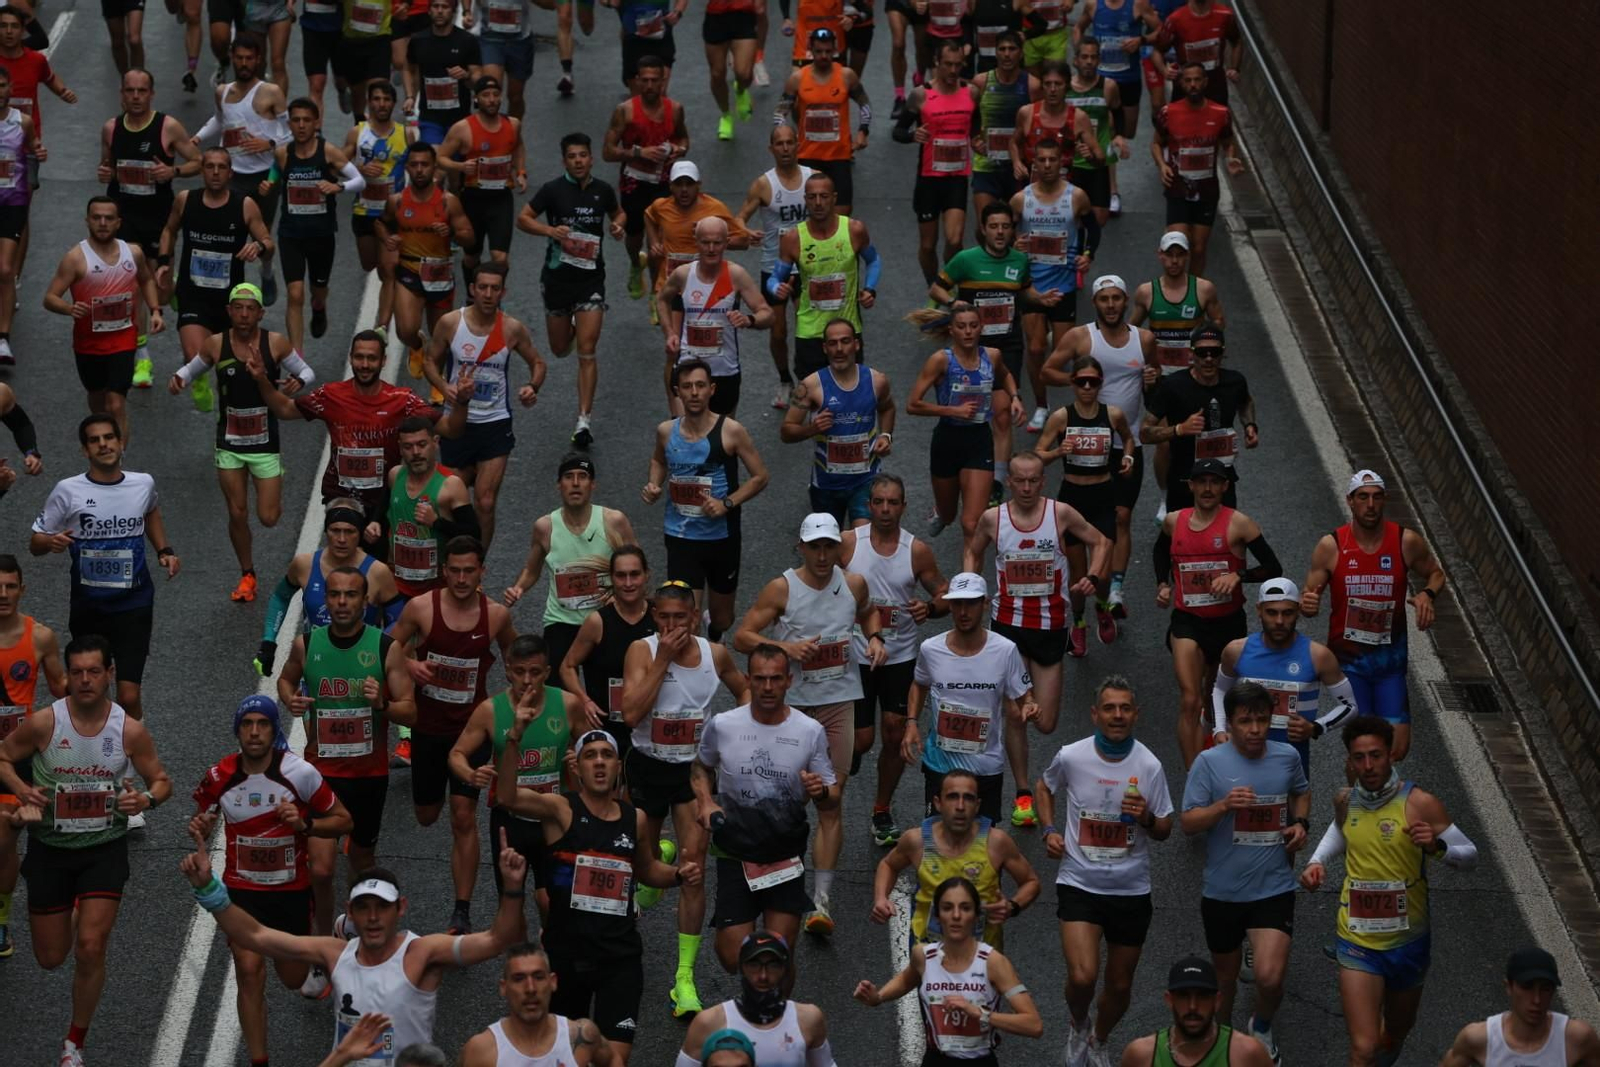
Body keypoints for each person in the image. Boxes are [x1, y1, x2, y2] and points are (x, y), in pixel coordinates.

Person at [179, 826, 530, 1058]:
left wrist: (513, 887)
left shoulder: (423, 954)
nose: (373, 917)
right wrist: (209, 890)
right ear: (351, 912)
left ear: (400, 909)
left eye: (382, 908)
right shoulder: (334, 953)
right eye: (364, 908)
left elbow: (498, 939)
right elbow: (255, 935)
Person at [0, 635, 171, 1067]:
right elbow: (3, 756)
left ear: (109, 674)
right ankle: (73, 910)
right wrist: (23, 793)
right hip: (51, 850)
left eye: (94, 671)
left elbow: (162, 781)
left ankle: (74, 1042)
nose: (85, 680)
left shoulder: (128, 730)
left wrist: (145, 801)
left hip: (103, 848)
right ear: (68, 678)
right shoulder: (44, 723)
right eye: (76, 672)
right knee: (51, 957)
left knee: (91, 946)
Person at [492, 726, 700, 1062]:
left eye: (607, 756)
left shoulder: (636, 819)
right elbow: (508, 797)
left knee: (614, 1060)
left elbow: (647, 869)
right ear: (577, 767)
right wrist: (513, 740)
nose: (599, 763)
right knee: (566, 1057)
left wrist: (678, 875)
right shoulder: (561, 810)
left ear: (619, 766)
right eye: (590, 756)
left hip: (619, 958)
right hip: (565, 955)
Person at [733, 513, 886, 936]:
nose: (822, 555)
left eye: (828, 547)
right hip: (795, 711)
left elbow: (870, 613)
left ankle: (820, 902)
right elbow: (743, 635)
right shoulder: (782, 588)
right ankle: (767, 877)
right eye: (814, 547)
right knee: (786, 800)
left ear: (839, 548)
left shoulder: (852, 584)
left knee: (831, 800)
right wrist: (785, 646)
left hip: (838, 704)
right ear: (801, 548)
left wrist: (876, 638)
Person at [1302, 716, 1482, 1067]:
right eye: (1359, 758)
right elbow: (1341, 831)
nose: (1367, 766)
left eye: (1375, 755)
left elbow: (1471, 857)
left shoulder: (1420, 803)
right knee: (1364, 1047)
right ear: (1349, 761)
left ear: (1391, 756)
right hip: (1357, 941)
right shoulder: (1347, 801)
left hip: (1408, 941)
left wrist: (1437, 848)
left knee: (1394, 1033)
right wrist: (1315, 862)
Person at [191, 695, 355, 1047]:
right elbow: (202, 815)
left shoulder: (299, 773)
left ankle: (331, 937)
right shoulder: (219, 775)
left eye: (262, 724)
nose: (254, 732)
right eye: (247, 724)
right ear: (237, 731)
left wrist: (305, 823)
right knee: (248, 972)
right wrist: (202, 826)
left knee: (294, 979)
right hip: (242, 892)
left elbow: (344, 820)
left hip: (289, 893)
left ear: (273, 730)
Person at [620, 581, 749, 1014]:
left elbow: (744, 690)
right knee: (643, 861)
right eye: (664, 618)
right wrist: (662, 660)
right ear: (654, 616)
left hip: (692, 772)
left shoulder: (715, 655)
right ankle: (657, 859)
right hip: (647, 765)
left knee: (694, 869)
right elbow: (632, 713)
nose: (672, 625)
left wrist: (733, 735)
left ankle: (684, 979)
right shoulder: (642, 651)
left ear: (695, 618)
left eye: (680, 618)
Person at [963, 450, 1111, 826]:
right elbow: (973, 550)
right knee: (1014, 714)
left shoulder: (1059, 513)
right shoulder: (993, 519)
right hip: (1007, 627)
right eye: (1020, 481)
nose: (1027, 487)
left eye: (1033, 480)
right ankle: (1024, 792)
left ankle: (1027, 738)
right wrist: (972, 589)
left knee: (1044, 722)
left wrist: (1092, 577)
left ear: (1042, 482)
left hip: (1050, 626)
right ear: (1009, 482)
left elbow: (1102, 541)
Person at [276, 565, 418, 953]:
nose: (341, 602)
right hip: (320, 774)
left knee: (360, 858)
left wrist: (382, 703)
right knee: (321, 868)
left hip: (368, 774)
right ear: (326, 600)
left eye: (350, 595)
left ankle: (353, 927)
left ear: (365, 601)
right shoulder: (308, 645)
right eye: (334, 595)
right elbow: (286, 679)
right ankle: (324, 945)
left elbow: (411, 712)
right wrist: (291, 698)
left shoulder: (385, 648)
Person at [1035, 675, 1175, 1067]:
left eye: (1125, 708)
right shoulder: (1072, 756)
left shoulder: (1149, 765)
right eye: (1110, 708)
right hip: (1079, 882)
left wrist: (1145, 816)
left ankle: (1099, 1038)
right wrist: (1048, 830)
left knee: (1119, 985)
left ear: (1136, 714)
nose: (1117, 715)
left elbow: (1165, 828)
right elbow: (1044, 787)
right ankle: (1079, 1024)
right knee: (1082, 977)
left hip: (1130, 891)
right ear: (1095, 714)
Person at [389, 536, 516, 935]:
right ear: (444, 570)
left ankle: (461, 910)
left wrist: (515, 706)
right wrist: (410, 666)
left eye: (469, 571)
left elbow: (518, 663)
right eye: (455, 570)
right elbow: (389, 648)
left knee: (463, 817)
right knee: (428, 817)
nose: (462, 579)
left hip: (471, 731)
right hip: (427, 729)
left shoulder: (495, 616)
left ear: (482, 572)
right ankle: (425, 785)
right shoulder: (421, 609)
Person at [1180, 682, 1310, 1063]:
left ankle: (1262, 1026)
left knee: (1269, 977)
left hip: (1273, 886)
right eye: (1245, 721)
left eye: (1261, 720)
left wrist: (1300, 822)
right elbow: (1187, 822)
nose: (1254, 729)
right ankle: (1220, 1042)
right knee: (1225, 982)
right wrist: (1222, 807)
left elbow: (1302, 791)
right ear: (1231, 724)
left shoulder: (1286, 757)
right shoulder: (1209, 762)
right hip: (1223, 891)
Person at [694, 644, 836, 980]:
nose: (768, 687)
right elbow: (700, 768)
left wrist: (822, 791)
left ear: (789, 681)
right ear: (748, 680)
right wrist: (705, 801)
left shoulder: (809, 731)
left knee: (778, 958)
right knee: (732, 957)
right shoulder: (723, 725)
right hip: (736, 851)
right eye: (760, 679)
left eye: (775, 679)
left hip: (783, 853)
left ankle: (774, 1023)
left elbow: (832, 795)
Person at [167, 282, 313, 602]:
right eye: (238, 308)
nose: (244, 314)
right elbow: (192, 369)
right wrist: (179, 379)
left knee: (268, 517)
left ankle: (273, 484)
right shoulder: (216, 344)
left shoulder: (274, 343)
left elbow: (307, 372)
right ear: (229, 312)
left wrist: (297, 380)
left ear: (261, 313)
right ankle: (247, 574)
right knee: (236, 513)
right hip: (229, 442)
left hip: (264, 442)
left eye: (251, 309)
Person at [247, 331, 468, 541]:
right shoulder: (331, 395)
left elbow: (450, 429)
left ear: (383, 361)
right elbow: (285, 409)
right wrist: (261, 379)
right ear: (351, 358)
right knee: (344, 551)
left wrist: (463, 401)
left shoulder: (402, 400)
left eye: (371, 359)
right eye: (359, 357)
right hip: (341, 495)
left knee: (378, 568)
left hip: (385, 499)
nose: (364, 365)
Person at [29, 415, 178, 725]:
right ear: (85, 450)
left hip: (133, 603)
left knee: (128, 696)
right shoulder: (68, 491)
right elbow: (35, 542)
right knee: (91, 691)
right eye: (95, 440)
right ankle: (97, 754)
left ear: (120, 443)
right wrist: (50, 542)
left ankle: (131, 752)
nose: (104, 444)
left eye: (109, 437)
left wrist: (164, 550)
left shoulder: (142, 483)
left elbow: (150, 510)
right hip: (89, 606)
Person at [1301, 470, 1447, 765]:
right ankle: (1356, 809)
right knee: (1364, 747)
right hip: (1349, 664)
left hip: (1389, 663)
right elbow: (1308, 599)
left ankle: (1370, 801)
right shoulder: (1331, 545)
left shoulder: (1405, 541)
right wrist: (1309, 603)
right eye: (1363, 497)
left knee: (1396, 749)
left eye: (1377, 497)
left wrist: (1427, 595)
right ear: (1350, 502)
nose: (1370, 504)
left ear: (1384, 501)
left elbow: (1435, 573)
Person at [1154, 459, 1281, 768]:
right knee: (1190, 698)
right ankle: (1195, 775)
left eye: (1215, 482)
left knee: (1216, 700)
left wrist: (1240, 576)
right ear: (1192, 486)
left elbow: (1273, 568)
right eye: (1202, 482)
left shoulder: (1239, 524)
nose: (1208, 488)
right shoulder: (1174, 521)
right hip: (1188, 622)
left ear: (1225, 486)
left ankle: (1213, 739)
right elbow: (1160, 550)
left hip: (1227, 623)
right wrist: (1163, 583)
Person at [842, 472, 946, 842]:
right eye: (879, 502)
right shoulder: (849, 544)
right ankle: (851, 750)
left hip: (900, 656)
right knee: (863, 740)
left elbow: (944, 591)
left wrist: (930, 607)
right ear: (870, 506)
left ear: (903, 506)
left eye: (893, 503)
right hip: (856, 655)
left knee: (894, 732)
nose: (885, 509)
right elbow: (819, 580)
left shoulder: (915, 550)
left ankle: (881, 810)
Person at [451, 633, 582, 921]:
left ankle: (552, 955)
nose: (526, 680)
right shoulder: (490, 711)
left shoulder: (568, 704)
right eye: (519, 672)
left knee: (551, 900)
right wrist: (471, 774)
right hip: (509, 821)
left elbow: (595, 746)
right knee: (511, 905)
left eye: (535, 673)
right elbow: (456, 755)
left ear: (546, 673)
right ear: (508, 670)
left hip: (552, 818)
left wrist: (580, 759)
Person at [932, 202, 1065, 483]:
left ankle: (996, 481)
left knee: (1002, 413)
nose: (1000, 232)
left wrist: (1040, 299)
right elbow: (936, 288)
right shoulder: (966, 260)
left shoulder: (1019, 260)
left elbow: (1024, 290)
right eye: (994, 226)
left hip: (1007, 345)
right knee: (969, 416)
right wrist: (954, 302)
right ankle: (958, 467)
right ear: (983, 229)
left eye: (1005, 226)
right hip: (970, 348)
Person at [642, 359, 770, 641]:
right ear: (678, 392)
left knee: (724, 618)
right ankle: (698, 669)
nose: (694, 392)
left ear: (712, 389)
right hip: (680, 536)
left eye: (700, 385)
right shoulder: (666, 431)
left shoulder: (731, 431)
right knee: (687, 618)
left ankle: (716, 629)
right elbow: (658, 460)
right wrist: (654, 483)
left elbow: (760, 476)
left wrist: (727, 504)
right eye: (687, 387)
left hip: (721, 537)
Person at [854, 874, 1044, 1061]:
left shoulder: (993, 962)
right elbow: (907, 979)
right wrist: (878, 997)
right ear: (937, 915)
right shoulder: (924, 956)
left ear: (976, 915)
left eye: (965, 908)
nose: (956, 915)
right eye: (947, 908)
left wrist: (981, 1014)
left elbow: (1033, 1025)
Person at [901, 571, 1038, 828]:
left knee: (982, 849)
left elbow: (1023, 694)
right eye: (957, 603)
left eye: (971, 603)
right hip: (940, 764)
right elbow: (919, 684)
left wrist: (1030, 705)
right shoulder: (931, 649)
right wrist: (911, 724)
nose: (963, 611)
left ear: (985, 604)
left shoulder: (1005, 650)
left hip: (985, 766)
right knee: (937, 841)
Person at [423, 262, 545, 548]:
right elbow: (430, 361)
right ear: (473, 290)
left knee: (486, 501)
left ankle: (477, 563)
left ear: (503, 291)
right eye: (483, 288)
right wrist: (445, 388)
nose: (488, 294)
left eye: (495, 288)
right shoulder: (452, 323)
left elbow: (538, 362)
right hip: (457, 424)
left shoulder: (511, 328)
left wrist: (532, 386)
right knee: (450, 499)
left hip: (495, 423)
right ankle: (451, 559)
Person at [97, 68, 201, 388]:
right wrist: (105, 174)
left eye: (142, 91)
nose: (136, 97)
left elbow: (199, 160)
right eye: (130, 91)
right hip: (125, 221)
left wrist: (174, 171)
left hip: (159, 220)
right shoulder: (111, 129)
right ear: (122, 94)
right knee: (134, 289)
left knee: (160, 287)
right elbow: (107, 167)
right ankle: (142, 357)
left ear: (151, 94)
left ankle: (173, 291)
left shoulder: (167, 127)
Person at [521, 131, 625, 448]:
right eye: (572, 156)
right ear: (565, 160)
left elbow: (617, 212)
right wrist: (550, 230)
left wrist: (617, 225)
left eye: (583, 155)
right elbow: (523, 219)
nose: (578, 161)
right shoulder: (552, 191)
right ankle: (574, 326)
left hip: (591, 280)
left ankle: (583, 421)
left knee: (587, 350)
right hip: (557, 280)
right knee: (559, 348)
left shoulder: (603, 190)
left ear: (591, 158)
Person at [157, 146, 274, 413]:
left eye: (222, 167)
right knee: (194, 356)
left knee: (228, 368)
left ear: (230, 173)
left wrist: (258, 247)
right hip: (193, 294)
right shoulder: (186, 200)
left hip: (229, 301)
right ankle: (198, 380)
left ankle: (229, 417)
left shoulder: (244, 205)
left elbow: (268, 240)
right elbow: (169, 230)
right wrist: (164, 262)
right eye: (210, 166)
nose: (216, 172)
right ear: (202, 171)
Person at [1036, 350, 1138, 655]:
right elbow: (1038, 454)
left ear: (1100, 383)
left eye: (1093, 382)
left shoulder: (1113, 414)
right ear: (1072, 383)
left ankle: (1103, 606)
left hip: (1103, 495)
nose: (1088, 388)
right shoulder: (1062, 417)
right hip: (1072, 499)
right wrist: (1057, 452)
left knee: (1102, 574)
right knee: (1079, 577)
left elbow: (1128, 437)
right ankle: (1078, 622)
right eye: (1082, 382)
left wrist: (1129, 456)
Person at [874, 764, 1041, 949]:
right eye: (952, 797)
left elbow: (1030, 882)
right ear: (938, 803)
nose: (960, 806)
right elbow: (889, 865)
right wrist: (881, 898)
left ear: (977, 805)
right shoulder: (917, 841)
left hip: (982, 964)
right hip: (928, 960)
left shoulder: (996, 842)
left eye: (968, 798)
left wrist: (1012, 906)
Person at [504, 453, 638, 675]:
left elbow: (639, 567)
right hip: (561, 621)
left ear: (592, 484)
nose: (575, 483)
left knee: (604, 698)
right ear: (559, 485)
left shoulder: (613, 521)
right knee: (558, 695)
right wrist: (518, 587)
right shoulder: (545, 527)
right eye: (568, 477)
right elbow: (531, 569)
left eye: (582, 476)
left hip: (604, 620)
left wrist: (627, 601)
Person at [43, 198, 165, 443]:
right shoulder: (76, 258)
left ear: (118, 223)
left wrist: (155, 310)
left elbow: (146, 279)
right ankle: (102, 440)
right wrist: (69, 308)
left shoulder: (133, 253)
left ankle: (119, 458)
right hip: (88, 343)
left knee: (116, 403)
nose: (102, 223)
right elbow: (49, 298)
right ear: (87, 220)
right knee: (98, 405)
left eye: (109, 218)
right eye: (96, 217)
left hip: (123, 340)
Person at [1213, 578, 1359, 775]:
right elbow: (1220, 689)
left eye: (1287, 613)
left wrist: (1316, 727)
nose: (1279, 621)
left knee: (1292, 806)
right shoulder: (1236, 651)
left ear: (1298, 611)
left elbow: (1350, 706)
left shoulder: (1318, 656)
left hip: (1291, 765)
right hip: (1241, 759)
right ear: (1259, 610)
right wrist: (1220, 729)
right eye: (1271, 612)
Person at [257, 98, 364, 364]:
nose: (301, 125)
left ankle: (319, 307)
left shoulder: (328, 152)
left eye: (307, 120)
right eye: (296, 120)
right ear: (290, 123)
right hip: (291, 234)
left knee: (317, 290)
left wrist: (338, 188)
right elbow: (275, 169)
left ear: (316, 123)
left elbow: (359, 180)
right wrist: (270, 183)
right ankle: (296, 357)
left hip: (321, 234)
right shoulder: (283, 152)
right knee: (295, 294)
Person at [1127, 230, 1225, 517]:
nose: (1174, 261)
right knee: (1166, 442)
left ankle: (1200, 492)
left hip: (1196, 377)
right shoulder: (1147, 292)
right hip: (1163, 381)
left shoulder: (1203, 289)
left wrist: (1206, 340)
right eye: (1168, 255)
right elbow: (1132, 332)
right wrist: (1141, 367)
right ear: (1160, 256)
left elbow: (1219, 321)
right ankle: (1165, 496)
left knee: (1199, 439)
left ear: (1187, 257)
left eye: (1179, 255)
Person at [904, 303, 1022, 540]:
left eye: (973, 326)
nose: (968, 332)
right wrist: (952, 411)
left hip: (979, 440)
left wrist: (1015, 397)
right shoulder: (941, 361)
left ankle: (969, 579)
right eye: (961, 327)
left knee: (972, 524)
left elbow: (1005, 374)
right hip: (947, 440)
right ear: (951, 331)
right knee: (949, 516)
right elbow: (913, 404)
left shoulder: (992, 356)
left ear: (981, 328)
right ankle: (941, 512)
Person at [257, 498, 405, 678]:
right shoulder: (305, 565)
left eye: (349, 531)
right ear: (326, 531)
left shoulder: (377, 572)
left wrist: (381, 650)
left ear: (359, 533)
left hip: (362, 670)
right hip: (316, 666)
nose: (342, 539)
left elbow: (398, 623)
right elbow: (280, 597)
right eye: (335, 530)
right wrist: (269, 641)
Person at [0, 554, 65, 961]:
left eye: (9, 586)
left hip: (15, 756)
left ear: (22, 589)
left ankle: (0, 920)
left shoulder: (40, 637)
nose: (2, 594)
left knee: (3, 840)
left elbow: (62, 688)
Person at [1012, 137, 1100, 433]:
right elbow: (999, 236)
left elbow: (1093, 229)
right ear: (1033, 163)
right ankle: (1041, 405)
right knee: (1036, 349)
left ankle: (1079, 406)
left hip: (1063, 285)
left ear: (1062, 162)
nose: (1047, 165)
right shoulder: (1021, 200)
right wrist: (1015, 245)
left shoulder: (1076, 197)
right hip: (1032, 286)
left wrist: (1087, 256)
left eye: (1053, 160)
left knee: (1066, 356)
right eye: (1042, 160)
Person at [196, 32, 289, 303]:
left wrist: (269, 142)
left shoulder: (271, 92)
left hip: (264, 177)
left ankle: (267, 270)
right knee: (229, 233)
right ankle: (229, 288)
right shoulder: (222, 91)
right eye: (239, 58)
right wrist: (198, 137)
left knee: (263, 239)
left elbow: (293, 134)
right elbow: (218, 120)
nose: (244, 63)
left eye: (249, 58)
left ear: (258, 60)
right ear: (232, 59)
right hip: (232, 176)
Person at [376, 143, 477, 377]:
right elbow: (380, 222)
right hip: (409, 269)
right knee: (405, 330)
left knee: (440, 334)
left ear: (434, 168)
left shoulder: (448, 201)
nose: (419, 170)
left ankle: (438, 385)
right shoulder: (397, 201)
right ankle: (416, 345)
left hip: (439, 273)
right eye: (414, 165)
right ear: (407, 168)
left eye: (425, 164)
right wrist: (387, 238)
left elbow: (469, 237)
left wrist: (451, 232)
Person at [768, 171, 879, 381]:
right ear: (805, 200)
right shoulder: (793, 238)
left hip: (847, 330)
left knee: (849, 393)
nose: (818, 202)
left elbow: (873, 261)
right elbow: (774, 278)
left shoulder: (854, 230)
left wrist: (870, 288)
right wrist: (776, 288)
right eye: (812, 197)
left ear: (834, 198)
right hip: (810, 332)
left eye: (824, 196)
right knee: (813, 399)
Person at [780, 318, 894, 524]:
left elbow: (887, 408)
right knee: (830, 548)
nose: (839, 349)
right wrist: (812, 428)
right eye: (833, 343)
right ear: (825, 348)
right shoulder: (810, 386)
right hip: (826, 484)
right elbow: (786, 432)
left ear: (856, 344)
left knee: (861, 543)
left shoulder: (877, 381)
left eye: (845, 341)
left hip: (866, 481)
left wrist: (886, 435)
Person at [658, 215, 775, 414]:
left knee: (722, 440)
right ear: (696, 243)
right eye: (705, 243)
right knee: (686, 436)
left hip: (724, 371)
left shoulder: (736, 275)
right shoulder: (683, 274)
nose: (711, 249)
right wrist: (670, 332)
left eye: (717, 243)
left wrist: (749, 320)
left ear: (726, 243)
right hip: (688, 369)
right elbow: (662, 299)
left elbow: (768, 314)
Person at [1140, 322, 1255, 514]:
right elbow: (1145, 433)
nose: (1208, 358)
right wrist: (1179, 429)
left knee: (1227, 538)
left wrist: (1250, 425)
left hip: (1222, 478)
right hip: (1185, 480)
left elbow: (1246, 403)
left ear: (1222, 353)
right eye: (1202, 352)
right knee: (1180, 540)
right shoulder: (1173, 386)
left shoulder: (1235, 381)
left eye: (1214, 352)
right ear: (1191, 354)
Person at [602, 55, 690, 301]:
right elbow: (607, 152)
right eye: (645, 80)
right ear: (637, 81)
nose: (650, 86)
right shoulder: (625, 111)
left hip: (663, 182)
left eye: (655, 80)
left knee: (659, 243)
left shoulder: (675, 109)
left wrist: (678, 150)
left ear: (663, 80)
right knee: (634, 236)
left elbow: (683, 139)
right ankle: (634, 263)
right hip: (634, 181)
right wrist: (639, 152)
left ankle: (655, 292)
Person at [737, 124, 813, 408]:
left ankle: (810, 380)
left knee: (808, 327)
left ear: (797, 145)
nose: (784, 148)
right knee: (778, 330)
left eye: (789, 143)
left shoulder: (812, 179)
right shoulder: (763, 184)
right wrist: (746, 231)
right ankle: (784, 379)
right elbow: (740, 217)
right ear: (771, 149)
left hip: (808, 265)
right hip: (775, 266)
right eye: (778, 144)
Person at [560, 546, 658, 761]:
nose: (629, 583)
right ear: (612, 578)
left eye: (635, 574)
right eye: (621, 576)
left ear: (646, 575)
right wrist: (583, 700)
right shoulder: (597, 622)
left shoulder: (660, 617)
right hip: (607, 727)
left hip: (651, 724)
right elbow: (567, 666)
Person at [677, 933, 835, 1066]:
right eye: (754, 964)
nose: (763, 976)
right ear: (742, 967)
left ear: (785, 969)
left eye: (773, 965)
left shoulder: (809, 1019)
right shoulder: (708, 1022)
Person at [893, 39, 979, 284]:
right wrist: (912, 136)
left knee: (954, 240)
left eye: (958, 65)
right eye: (948, 65)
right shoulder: (922, 94)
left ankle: (946, 284)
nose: (953, 70)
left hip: (957, 178)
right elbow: (898, 132)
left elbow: (976, 126)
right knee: (928, 246)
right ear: (937, 63)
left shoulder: (971, 92)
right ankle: (933, 285)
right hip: (929, 179)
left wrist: (977, 140)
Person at [458, 943, 621, 1066]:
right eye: (519, 979)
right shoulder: (481, 1052)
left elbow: (613, 1059)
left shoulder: (582, 1036)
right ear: (504, 988)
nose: (530, 989)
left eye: (538, 977)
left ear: (553, 982)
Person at [1150, 61, 1241, 277]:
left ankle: (1194, 291)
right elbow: (1156, 143)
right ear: (1181, 83)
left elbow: (1228, 142)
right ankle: (1173, 290)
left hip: (1207, 189)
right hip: (1177, 188)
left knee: (1199, 248)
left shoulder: (1221, 113)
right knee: (1177, 247)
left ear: (1205, 82)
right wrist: (1162, 166)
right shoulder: (1168, 113)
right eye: (1188, 80)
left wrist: (1231, 158)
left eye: (1197, 80)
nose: (1193, 85)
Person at [1440, 948, 1600, 1067]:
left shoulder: (1577, 1038)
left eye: (1545, 989)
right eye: (1527, 987)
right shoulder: (1479, 1038)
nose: (1537, 999)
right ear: (1508, 986)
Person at [437, 76, 525, 283]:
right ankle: (471, 295)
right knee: (472, 256)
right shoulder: (462, 128)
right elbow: (440, 158)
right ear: (476, 99)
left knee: (500, 258)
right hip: (473, 199)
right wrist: (460, 166)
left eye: (496, 95)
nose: (492, 100)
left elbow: (519, 146)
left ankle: (494, 298)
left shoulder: (513, 124)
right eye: (486, 95)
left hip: (501, 198)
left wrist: (521, 172)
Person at [384, 417, 478, 607]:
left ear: (435, 443)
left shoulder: (451, 485)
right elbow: (385, 513)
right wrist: (374, 525)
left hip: (437, 587)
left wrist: (436, 523)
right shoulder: (395, 476)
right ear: (400, 448)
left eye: (422, 444)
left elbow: (474, 535)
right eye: (408, 447)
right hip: (399, 583)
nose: (416, 453)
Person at [343, 83, 413, 337]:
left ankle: (382, 328)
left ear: (393, 104)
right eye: (376, 99)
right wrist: (358, 170)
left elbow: (418, 169)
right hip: (364, 211)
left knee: (389, 269)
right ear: (369, 103)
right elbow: (337, 164)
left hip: (393, 213)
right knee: (369, 264)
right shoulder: (357, 133)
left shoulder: (406, 135)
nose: (381, 104)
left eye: (386, 99)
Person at [778, 28, 871, 216]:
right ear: (810, 50)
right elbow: (780, 113)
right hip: (808, 156)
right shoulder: (797, 79)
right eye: (819, 52)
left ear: (834, 50)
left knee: (843, 213)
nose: (823, 56)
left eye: (828, 52)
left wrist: (863, 131)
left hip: (839, 156)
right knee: (810, 212)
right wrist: (784, 137)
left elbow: (865, 105)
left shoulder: (846, 76)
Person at [1117, 956, 1274, 1067]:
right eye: (1184, 996)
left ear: (1217, 1001)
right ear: (1169, 1000)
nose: (1193, 1006)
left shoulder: (1248, 1054)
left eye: (1203, 996)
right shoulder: (1141, 1056)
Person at [644, 161, 754, 313]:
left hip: (703, 283)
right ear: (670, 186)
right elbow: (649, 216)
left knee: (697, 332)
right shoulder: (661, 206)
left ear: (698, 185)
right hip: (671, 283)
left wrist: (711, 238)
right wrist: (654, 242)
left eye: (689, 184)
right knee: (674, 335)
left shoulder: (715, 208)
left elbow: (743, 242)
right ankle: (655, 296)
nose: (684, 190)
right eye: (678, 184)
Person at [1075, 0, 1160, 174]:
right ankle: (1107, 175)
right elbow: (1077, 28)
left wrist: (1141, 40)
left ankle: (1107, 154)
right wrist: (1081, 54)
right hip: (1101, 80)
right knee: (1103, 129)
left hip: (1128, 79)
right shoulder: (1093, 5)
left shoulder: (1138, 5)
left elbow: (1163, 31)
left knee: (1128, 132)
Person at [404, 0, 481, 146]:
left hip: (459, 118)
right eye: (435, 6)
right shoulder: (418, 40)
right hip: (429, 117)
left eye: (445, 7)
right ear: (429, 10)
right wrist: (410, 97)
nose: (440, 11)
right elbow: (408, 68)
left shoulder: (467, 41)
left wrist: (466, 76)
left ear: (453, 11)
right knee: (434, 156)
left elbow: (478, 77)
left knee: (456, 163)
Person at [1157, 0, 1239, 105]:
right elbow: (1157, 50)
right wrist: (1164, 70)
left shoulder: (1225, 15)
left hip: (1216, 85)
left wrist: (1235, 68)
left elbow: (1237, 41)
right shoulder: (1175, 19)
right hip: (1186, 88)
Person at [464, 0, 536, 119]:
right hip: (490, 39)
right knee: (489, 90)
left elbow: (549, 5)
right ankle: (490, 134)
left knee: (515, 97)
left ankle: (513, 132)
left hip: (520, 41)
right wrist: (467, 12)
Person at [702, 0, 760, 140]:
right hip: (716, 17)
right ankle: (726, 115)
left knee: (744, 74)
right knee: (717, 74)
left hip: (743, 14)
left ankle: (740, 90)